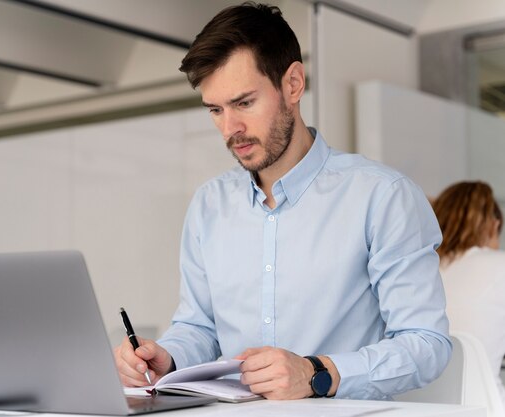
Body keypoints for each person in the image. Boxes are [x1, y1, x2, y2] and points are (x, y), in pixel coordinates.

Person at [115, 2, 450, 400]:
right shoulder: (209, 206)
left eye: (244, 103)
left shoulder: (383, 197)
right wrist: (164, 359)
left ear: (292, 84)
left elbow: (427, 344)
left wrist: (315, 373)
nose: (230, 128)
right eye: (216, 110)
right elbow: (199, 327)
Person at [432, 181, 505, 405]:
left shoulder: (422, 270)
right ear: (494, 225)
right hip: (486, 406)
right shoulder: (499, 265)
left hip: (421, 406)